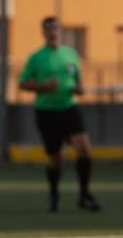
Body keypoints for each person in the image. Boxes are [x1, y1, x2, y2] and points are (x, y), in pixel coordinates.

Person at [18, 16, 101, 213]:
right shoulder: (36, 57)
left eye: (55, 28)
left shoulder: (70, 54)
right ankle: (54, 195)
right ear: (43, 32)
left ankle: (84, 195)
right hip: (47, 112)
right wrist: (43, 86)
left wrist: (79, 88)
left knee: (84, 148)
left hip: (70, 107)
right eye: (48, 29)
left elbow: (77, 80)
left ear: (60, 30)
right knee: (56, 158)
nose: (52, 32)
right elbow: (23, 83)